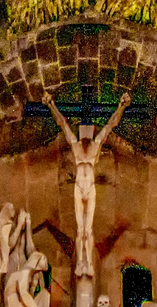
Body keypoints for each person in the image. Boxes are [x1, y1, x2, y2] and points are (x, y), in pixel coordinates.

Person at [42, 90, 131, 279]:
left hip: (89, 188)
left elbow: (110, 125)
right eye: (82, 131)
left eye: (87, 132)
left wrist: (121, 106)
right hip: (79, 188)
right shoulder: (74, 145)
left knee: (87, 229)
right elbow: (62, 124)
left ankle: (88, 263)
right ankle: (80, 263)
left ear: (90, 133)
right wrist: (51, 105)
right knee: (80, 230)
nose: (84, 135)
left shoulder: (96, 146)